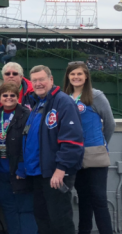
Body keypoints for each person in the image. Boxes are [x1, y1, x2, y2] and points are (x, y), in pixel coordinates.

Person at [20, 65, 84, 234]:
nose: (38, 83)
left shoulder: (63, 102)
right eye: (34, 81)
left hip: (55, 174)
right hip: (38, 173)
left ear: (51, 80)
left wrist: (61, 169)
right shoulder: (37, 104)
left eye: (41, 79)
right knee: (43, 220)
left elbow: (73, 140)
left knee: (60, 222)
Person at [62, 62, 115, 234]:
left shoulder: (95, 95)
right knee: (83, 199)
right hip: (74, 155)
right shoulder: (65, 97)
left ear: (86, 77)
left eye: (79, 74)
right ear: (68, 77)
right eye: (72, 74)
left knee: (99, 199)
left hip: (94, 154)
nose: (76, 77)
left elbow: (110, 123)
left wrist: (101, 143)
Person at [0, 83, 37, 234]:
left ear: (18, 97)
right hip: (0, 172)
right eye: (5, 95)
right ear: (0, 98)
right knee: (8, 209)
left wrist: (23, 167)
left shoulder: (26, 114)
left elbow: (30, 143)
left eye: (12, 95)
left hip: (19, 170)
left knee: (25, 210)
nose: (9, 98)